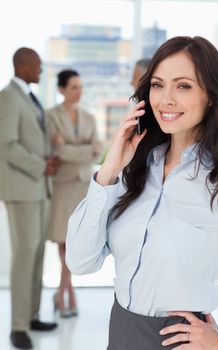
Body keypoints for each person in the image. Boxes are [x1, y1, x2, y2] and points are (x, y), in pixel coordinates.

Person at [65, 35, 218, 350]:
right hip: (121, 334)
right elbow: (80, 261)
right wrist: (108, 172)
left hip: (180, 341)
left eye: (183, 86)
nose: (165, 99)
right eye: (158, 85)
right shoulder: (135, 169)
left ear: (211, 94)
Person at [0, 48, 59, 350]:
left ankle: (32, 315)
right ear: (22, 65)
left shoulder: (32, 97)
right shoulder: (8, 97)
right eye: (37, 64)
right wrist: (41, 165)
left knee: (36, 255)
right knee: (24, 257)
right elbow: (6, 146)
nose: (40, 68)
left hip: (39, 189)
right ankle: (18, 326)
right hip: (22, 190)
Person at [46, 69, 102, 318]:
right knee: (63, 241)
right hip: (62, 186)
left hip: (82, 187)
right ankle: (66, 294)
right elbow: (58, 153)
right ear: (61, 89)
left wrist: (69, 149)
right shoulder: (50, 117)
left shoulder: (89, 116)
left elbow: (97, 151)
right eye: (73, 87)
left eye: (81, 87)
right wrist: (82, 150)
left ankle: (63, 294)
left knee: (74, 242)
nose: (79, 92)